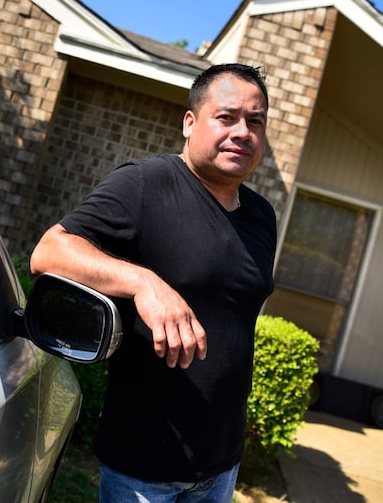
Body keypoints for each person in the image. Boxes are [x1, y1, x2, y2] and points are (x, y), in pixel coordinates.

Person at [30, 63, 277, 502]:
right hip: (143, 468)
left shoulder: (262, 217)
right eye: (227, 117)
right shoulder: (147, 183)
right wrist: (143, 282)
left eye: (254, 121)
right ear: (190, 122)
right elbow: (50, 251)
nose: (243, 131)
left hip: (221, 463)